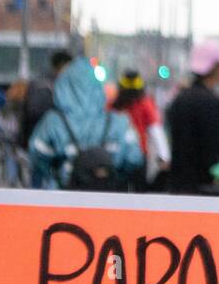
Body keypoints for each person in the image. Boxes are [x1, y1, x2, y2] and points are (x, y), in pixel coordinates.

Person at [28, 56, 143, 190]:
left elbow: (37, 157)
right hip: (108, 199)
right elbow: (134, 159)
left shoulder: (53, 122)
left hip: (65, 199)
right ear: (98, 87)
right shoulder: (118, 122)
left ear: (63, 85)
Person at [166, 40, 219, 194]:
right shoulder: (213, 103)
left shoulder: (179, 99)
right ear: (215, 68)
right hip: (206, 190)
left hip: (178, 186)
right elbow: (217, 150)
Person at [111, 68, 171, 188]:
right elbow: (155, 130)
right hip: (137, 155)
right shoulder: (145, 104)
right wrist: (164, 156)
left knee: (117, 190)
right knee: (139, 191)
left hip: (117, 153)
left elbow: (155, 130)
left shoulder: (115, 105)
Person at [19, 49, 72, 150]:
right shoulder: (44, 85)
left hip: (41, 141)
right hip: (42, 143)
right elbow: (35, 112)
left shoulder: (42, 83)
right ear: (63, 65)